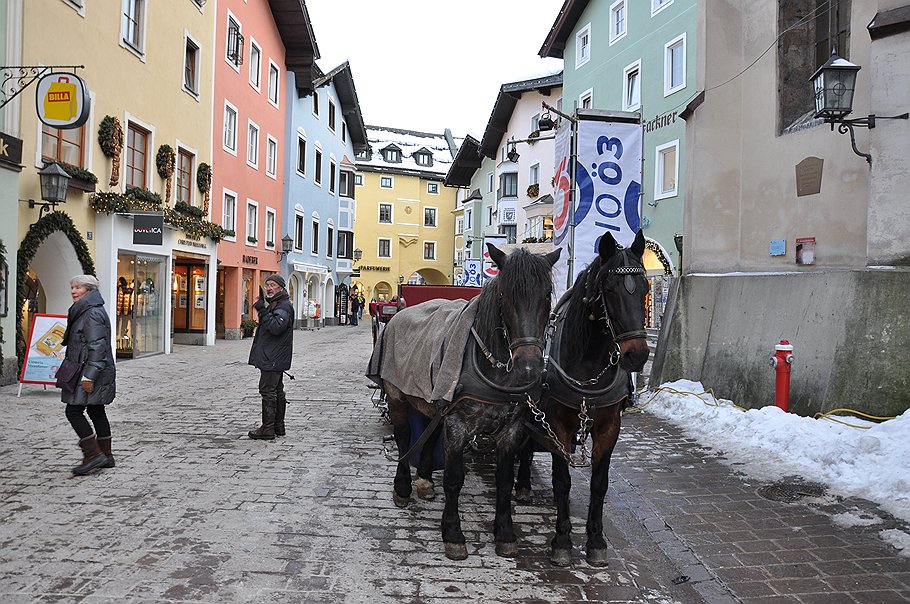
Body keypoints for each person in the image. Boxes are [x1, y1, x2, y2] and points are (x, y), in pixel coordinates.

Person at [61, 274, 116, 476]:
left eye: (78, 288)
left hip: (90, 370)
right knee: (95, 409)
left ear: (89, 291)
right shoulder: (86, 311)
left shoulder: (91, 313)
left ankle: (93, 455)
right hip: (91, 368)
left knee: (73, 412)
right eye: (72, 287)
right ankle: (107, 456)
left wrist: (89, 376)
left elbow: (98, 346)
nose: (74, 291)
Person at [248, 274, 294, 440]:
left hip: (273, 357)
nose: (269, 288)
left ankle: (268, 429)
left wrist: (261, 310)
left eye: (272, 285)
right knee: (276, 390)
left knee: (268, 391)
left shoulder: (283, 306)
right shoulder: (276, 304)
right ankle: (278, 426)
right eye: (267, 285)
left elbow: (275, 327)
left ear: (281, 288)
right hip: (274, 356)